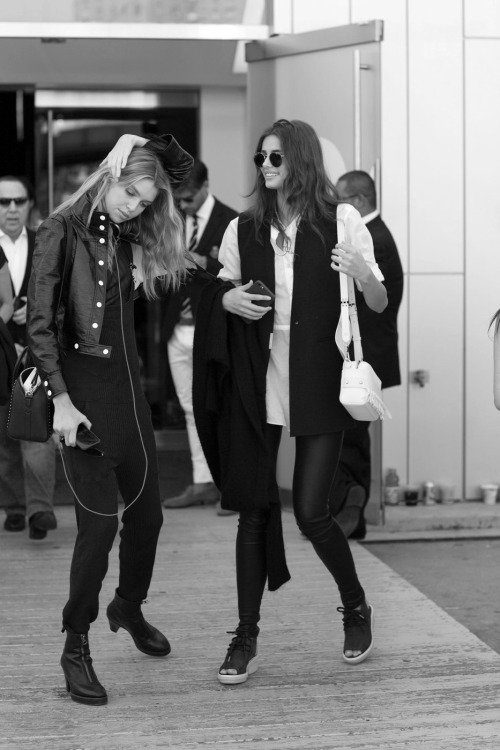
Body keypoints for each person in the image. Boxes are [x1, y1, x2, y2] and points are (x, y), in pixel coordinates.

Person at [192, 119, 388, 684]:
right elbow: (219, 286)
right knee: (253, 509)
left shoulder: (341, 220)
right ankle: (245, 635)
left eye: (275, 157)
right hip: (258, 377)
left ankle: (355, 606)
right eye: (261, 158)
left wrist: (361, 272)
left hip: (318, 378)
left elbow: (378, 300)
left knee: (309, 511)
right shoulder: (243, 228)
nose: (265, 166)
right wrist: (226, 299)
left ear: (299, 159)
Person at [27, 133, 193, 706]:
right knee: (98, 529)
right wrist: (61, 401)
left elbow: (180, 171)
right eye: (129, 193)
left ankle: (128, 606)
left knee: (148, 518)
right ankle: (76, 644)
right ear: (109, 176)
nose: (134, 207)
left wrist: (139, 142)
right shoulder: (59, 230)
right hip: (81, 402)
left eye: (144, 201)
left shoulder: (126, 235)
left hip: (129, 399)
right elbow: (39, 326)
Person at [329, 171, 404, 539]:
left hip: (364, 356)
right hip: (364, 354)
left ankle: (351, 506)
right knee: (351, 435)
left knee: (352, 437)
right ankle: (351, 516)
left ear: (357, 201)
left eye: (340, 198)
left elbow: (374, 304)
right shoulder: (376, 232)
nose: (335, 206)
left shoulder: (373, 237)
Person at [162, 159, 238, 514]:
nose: (183, 204)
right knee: (190, 410)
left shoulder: (232, 221)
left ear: (206, 187)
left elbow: (240, 275)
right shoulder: (171, 218)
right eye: (179, 198)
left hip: (213, 329)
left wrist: (203, 262)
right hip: (176, 328)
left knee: (221, 406)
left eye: (189, 198)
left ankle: (231, 486)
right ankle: (203, 481)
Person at [0, 175, 57, 539]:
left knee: (37, 431)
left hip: (35, 353)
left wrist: (37, 310)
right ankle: (14, 507)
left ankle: (39, 510)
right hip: (0, 353)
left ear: (30, 204)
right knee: (3, 438)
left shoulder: (44, 243)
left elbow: (64, 294)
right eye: (3, 202)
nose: (11, 209)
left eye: (18, 201)